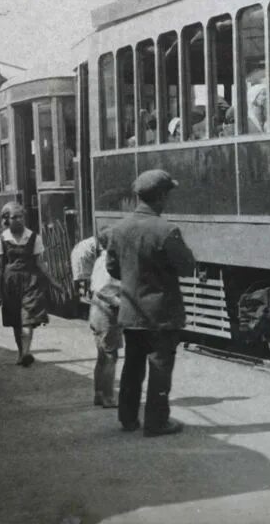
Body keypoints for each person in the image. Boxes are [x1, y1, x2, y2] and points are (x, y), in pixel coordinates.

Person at [107, 169, 196, 437]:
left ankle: (128, 418)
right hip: (161, 313)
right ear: (160, 196)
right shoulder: (167, 230)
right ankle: (157, 422)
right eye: (167, 193)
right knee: (159, 367)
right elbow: (187, 267)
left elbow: (112, 268)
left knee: (132, 366)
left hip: (132, 311)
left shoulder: (119, 229)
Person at [0, 202, 61, 366]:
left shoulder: (33, 237)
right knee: (17, 320)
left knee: (28, 318)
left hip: (30, 281)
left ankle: (26, 352)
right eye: (14, 217)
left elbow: (40, 263)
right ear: (7, 220)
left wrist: (53, 281)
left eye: (21, 216)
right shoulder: (1, 240)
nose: (19, 220)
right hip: (10, 283)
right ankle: (21, 352)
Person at [71, 228, 123, 407]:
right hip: (106, 312)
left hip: (96, 311)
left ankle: (99, 394)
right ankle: (108, 397)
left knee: (102, 356)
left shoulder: (101, 260)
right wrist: (121, 304)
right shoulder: (109, 261)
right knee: (110, 356)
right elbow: (103, 291)